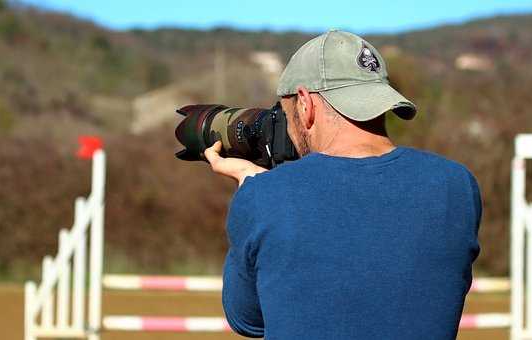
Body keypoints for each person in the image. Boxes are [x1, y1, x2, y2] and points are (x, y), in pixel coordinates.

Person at [204, 30, 481, 340]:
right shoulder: (456, 187)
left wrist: (250, 187)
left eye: (285, 114)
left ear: (306, 104)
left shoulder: (263, 195)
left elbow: (248, 320)